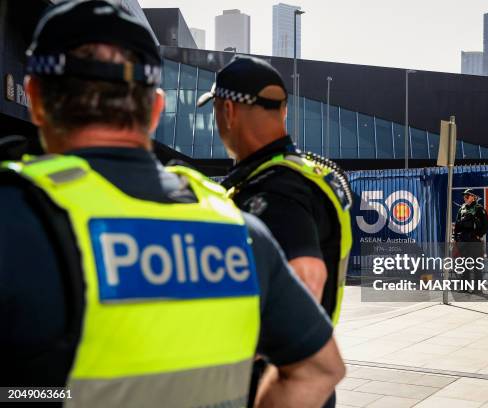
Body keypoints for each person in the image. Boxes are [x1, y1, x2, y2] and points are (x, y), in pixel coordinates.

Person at [0, 2, 344, 407]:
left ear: (35, 98)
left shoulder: (14, 217)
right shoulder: (238, 229)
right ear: (156, 109)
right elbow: (320, 368)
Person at [197, 56, 352, 408]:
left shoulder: (274, 191)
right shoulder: (300, 175)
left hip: (275, 386)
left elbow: (307, 279)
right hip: (301, 382)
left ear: (228, 111)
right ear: (282, 111)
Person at [453, 188, 488, 293]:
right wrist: (455, 238)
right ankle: (464, 287)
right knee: (464, 265)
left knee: (476, 265)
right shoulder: (462, 209)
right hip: (463, 240)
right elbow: (457, 224)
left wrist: (479, 235)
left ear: (473, 197)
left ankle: (477, 288)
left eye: (467, 196)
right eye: (464, 196)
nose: (465, 198)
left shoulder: (479, 209)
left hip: (474, 241)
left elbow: (486, 224)